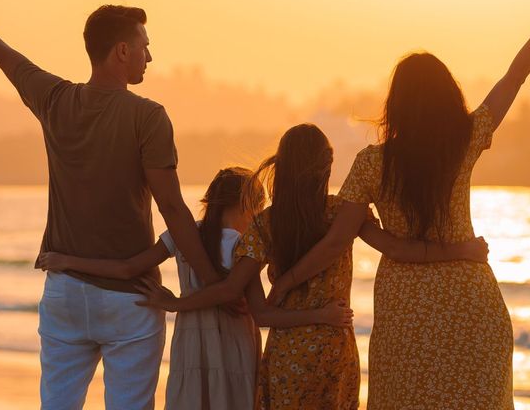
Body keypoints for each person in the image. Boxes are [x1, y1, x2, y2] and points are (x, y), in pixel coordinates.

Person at [267, 0, 530, 408]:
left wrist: (285, 281)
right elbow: (515, 76)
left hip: (407, 313)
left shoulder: (373, 163)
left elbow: (332, 244)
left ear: (396, 102)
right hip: (472, 303)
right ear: (447, 95)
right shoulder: (466, 141)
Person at [0, 0, 223, 410]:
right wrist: (211, 285)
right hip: (128, 301)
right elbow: (174, 210)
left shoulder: (54, 98)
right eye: (145, 46)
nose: (151, 56)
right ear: (122, 51)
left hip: (64, 292)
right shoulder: (148, 116)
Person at [135, 124, 489, 409]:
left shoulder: (265, 225)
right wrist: (462, 249)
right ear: (327, 169)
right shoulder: (343, 215)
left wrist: (174, 303)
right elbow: (398, 248)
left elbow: (257, 311)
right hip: (335, 357)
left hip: (287, 360)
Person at [37, 167, 354, 409]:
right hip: (234, 345)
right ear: (248, 205)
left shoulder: (183, 234)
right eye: (258, 210)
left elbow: (127, 268)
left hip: (190, 344)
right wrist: (319, 311)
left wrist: (67, 260)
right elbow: (260, 311)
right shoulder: (247, 245)